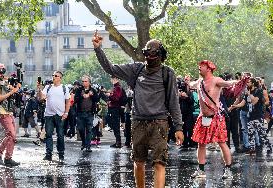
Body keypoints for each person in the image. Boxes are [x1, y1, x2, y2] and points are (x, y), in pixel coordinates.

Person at [92, 31, 184, 188]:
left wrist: (178, 127)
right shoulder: (136, 69)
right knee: (138, 162)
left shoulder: (167, 73)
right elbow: (111, 69)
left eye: (153, 54)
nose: (149, 57)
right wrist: (98, 49)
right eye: (147, 53)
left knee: (159, 163)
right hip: (138, 122)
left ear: (161, 55)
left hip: (159, 123)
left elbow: (173, 101)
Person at [190, 60, 248, 179]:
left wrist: (240, 81)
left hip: (216, 117)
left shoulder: (216, 80)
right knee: (201, 144)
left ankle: (228, 170)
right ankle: (201, 170)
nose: (199, 67)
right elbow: (191, 85)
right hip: (203, 118)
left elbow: (228, 83)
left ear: (209, 68)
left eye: (202, 66)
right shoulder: (200, 82)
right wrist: (187, 81)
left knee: (222, 143)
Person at [0, 63, 20, 167]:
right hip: (2, 113)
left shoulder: (4, 82)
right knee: (11, 134)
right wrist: (12, 92)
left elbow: (13, 88)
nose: (3, 74)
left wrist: (15, 87)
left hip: (9, 112)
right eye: (0, 72)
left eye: (3, 71)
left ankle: (8, 158)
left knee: (12, 136)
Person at [37, 71, 70, 162]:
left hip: (60, 115)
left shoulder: (64, 88)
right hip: (49, 115)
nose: (54, 77)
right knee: (48, 135)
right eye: (53, 75)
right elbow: (41, 98)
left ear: (60, 78)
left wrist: (66, 113)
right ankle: (48, 154)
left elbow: (68, 102)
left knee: (60, 135)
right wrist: (39, 89)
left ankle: (61, 154)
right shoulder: (48, 87)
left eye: (56, 76)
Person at [74, 75, 99, 152]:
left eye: (86, 81)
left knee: (89, 130)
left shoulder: (93, 90)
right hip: (80, 113)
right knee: (80, 129)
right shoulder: (79, 90)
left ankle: (88, 146)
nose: (84, 83)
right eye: (83, 81)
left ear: (89, 82)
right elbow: (75, 100)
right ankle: (84, 142)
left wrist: (92, 95)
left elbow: (97, 99)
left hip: (89, 113)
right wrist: (82, 96)